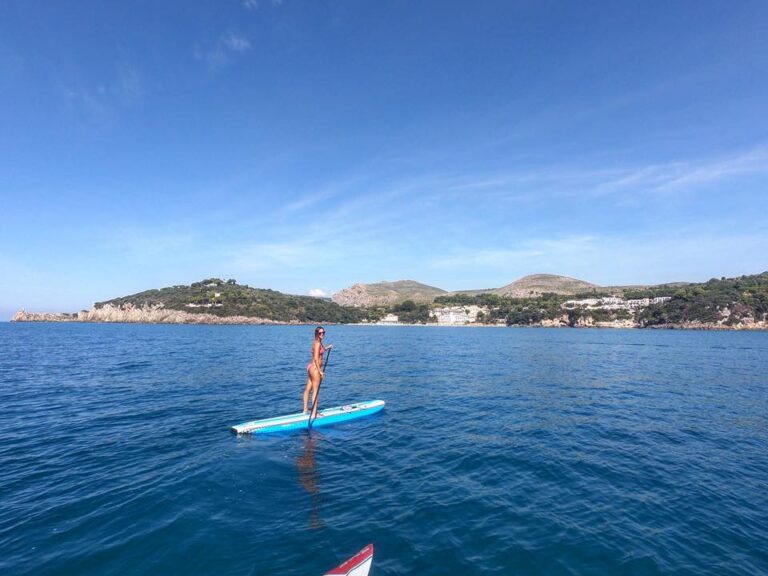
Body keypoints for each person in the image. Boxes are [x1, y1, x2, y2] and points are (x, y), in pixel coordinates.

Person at [303, 326, 332, 418]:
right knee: (316, 391)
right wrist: (320, 372)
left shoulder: (317, 342)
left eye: (323, 332)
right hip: (315, 369)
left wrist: (327, 347)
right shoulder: (317, 344)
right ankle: (314, 413)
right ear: (316, 334)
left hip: (311, 367)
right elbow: (316, 358)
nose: (322, 334)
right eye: (320, 333)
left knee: (308, 389)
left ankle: (305, 410)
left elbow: (319, 352)